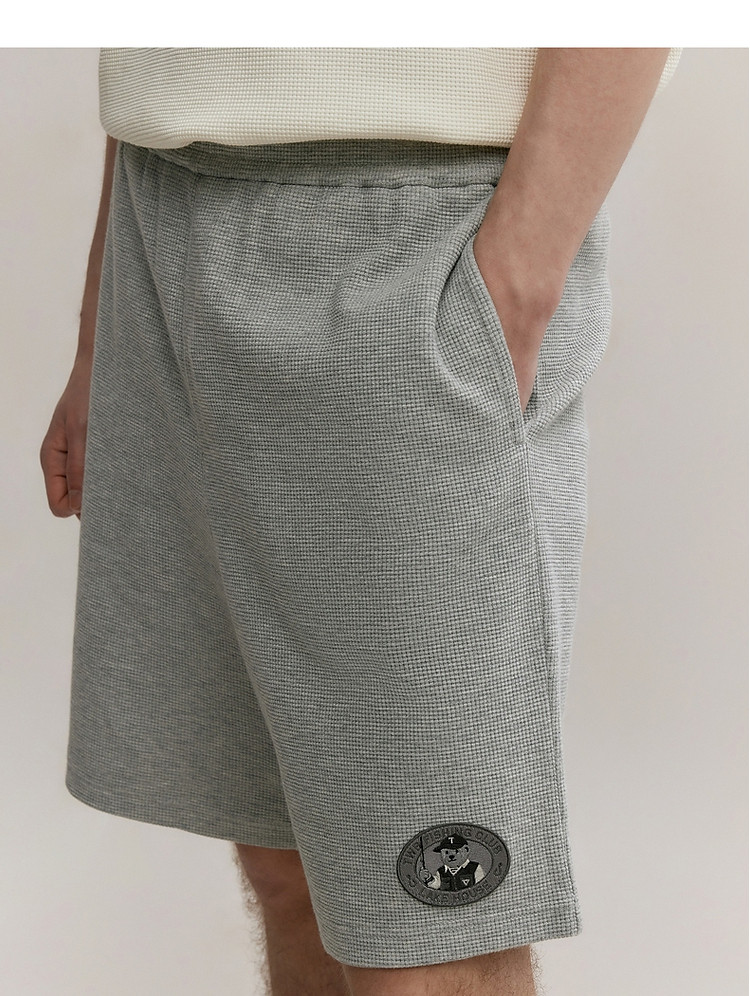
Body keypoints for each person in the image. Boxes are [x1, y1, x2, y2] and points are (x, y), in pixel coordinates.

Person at [40, 47, 679, 996]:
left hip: (410, 225)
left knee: (432, 929)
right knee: (286, 862)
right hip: (167, 203)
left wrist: (515, 278)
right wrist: (100, 326)